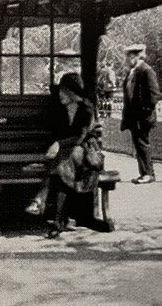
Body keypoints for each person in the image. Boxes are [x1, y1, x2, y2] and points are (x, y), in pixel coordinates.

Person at [28, 72, 110, 233]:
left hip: (86, 153)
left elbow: (80, 137)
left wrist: (58, 144)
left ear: (72, 93)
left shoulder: (86, 110)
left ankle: (42, 202)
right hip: (67, 156)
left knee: (65, 160)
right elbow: (37, 120)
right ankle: (58, 221)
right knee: (62, 167)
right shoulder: (59, 109)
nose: (59, 95)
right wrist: (6, 120)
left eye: (63, 91)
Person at [120, 44, 159, 184]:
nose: (127, 60)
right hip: (134, 117)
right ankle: (144, 173)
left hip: (142, 117)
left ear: (135, 56)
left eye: (129, 57)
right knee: (139, 144)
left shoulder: (146, 71)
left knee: (143, 144)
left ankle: (148, 174)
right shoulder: (134, 71)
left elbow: (153, 94)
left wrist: (145, 111)